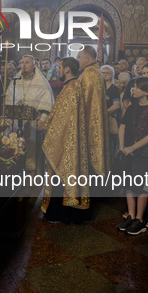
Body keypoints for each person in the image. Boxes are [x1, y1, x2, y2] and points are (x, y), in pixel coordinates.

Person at [41, 57, 90, 222]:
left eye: (60, 67)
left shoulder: (71, 88)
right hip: (69, 139)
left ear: (67, 69)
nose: (58, 70)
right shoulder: (72, 86)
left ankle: (59, 214)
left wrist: (49, 132)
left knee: (60, 176)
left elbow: (63, 120)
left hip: (65, 141)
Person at [116, 77, 148, 235]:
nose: (133, 89)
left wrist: (132, 147)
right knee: (128, 184)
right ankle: (131, 216)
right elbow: (123, 126)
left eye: (137, 87)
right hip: (127, 151)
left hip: (142, 152)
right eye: (133, 86)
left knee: (140, 186)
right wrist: (122, 146)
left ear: (147, 92)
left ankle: (139, 220)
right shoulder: (133, 106)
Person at [5, 54, 54, 174]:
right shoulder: (16, 80)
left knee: (34, 154)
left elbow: (47, 104)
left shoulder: (41, 82)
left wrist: (42, 119)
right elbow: (9, 99)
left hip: (33, 124)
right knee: (16, 151)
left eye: (27, 62)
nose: (23, 65)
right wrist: (9, 119)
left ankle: (33, 179)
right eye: (22, 62)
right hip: (17, 124)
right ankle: (17, 179)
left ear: (34, 65)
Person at [77, 46, 109, 179]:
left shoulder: (89, 75)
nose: (77, 60)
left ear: (87, 58)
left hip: (89, 124)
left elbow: (82, 103)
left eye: (79, 57)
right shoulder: (94, 72)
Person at [102, 64, 121, 166]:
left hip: (109, 119)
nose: (105, 75)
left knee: (109, 145)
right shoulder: (99, 88)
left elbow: (116, 105)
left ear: (112, 75)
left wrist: (104, 112)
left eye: (107, 73)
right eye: (103, 73)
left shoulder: (114, 89)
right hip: (100, 120)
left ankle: (110, 166)